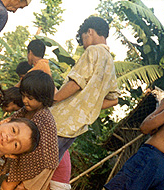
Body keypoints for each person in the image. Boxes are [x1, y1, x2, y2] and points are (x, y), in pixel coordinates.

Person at [51, 16, 119, 160]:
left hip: (60, 121)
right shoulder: (110, 62)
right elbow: (114, 100)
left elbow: (75, 84)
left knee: (34, 161)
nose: (84, 46)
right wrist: (88, 108)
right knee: (48, 166)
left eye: (83, 40)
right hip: (76, 128)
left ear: (89, 32)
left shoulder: (93, 51)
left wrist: (53, 99)